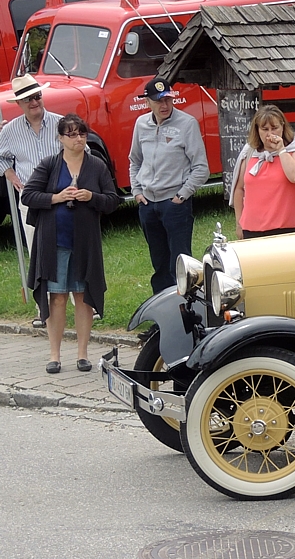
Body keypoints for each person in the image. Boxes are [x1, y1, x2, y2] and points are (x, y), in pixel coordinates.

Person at [21, 114, 119, 373]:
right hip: (55, 241)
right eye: (72, 134)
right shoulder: (50, 164)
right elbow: (29, 195)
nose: (78, 139)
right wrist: (56, 197)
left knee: (83, 296)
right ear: (61, 138)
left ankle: (83, 354)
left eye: (82, 133)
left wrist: (92, 196)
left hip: (85, 243)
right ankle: (55, 355)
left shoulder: (96, 165)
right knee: (58, 298)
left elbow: (112, 200)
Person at [128, 79, 209, 293]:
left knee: (182, 264)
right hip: (147, 204)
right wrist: (136, 191)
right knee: (159, 264)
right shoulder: (141, 124)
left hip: (174, 204)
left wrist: (182, 196)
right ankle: (163, 312)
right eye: (158, 101)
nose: (164, 106)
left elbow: (201, 168)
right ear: (147, 102)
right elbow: (134, 161)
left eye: (168, 100)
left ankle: (187, 312)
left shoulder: (187, 123)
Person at [0, 74, 63, 327]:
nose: (34, 102)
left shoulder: (61, 124)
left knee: (70, 249)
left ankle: (82, 304)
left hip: (62, 198)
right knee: (38, 254)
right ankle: (43, 309)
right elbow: (1, 157)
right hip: (31, 202)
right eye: (27, 99)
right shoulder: (10, 130)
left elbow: (83, 152)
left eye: (37, 96)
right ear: (19, 103)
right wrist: (12, 176)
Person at [231, 105, 295, 239]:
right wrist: (239, 223)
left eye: (275, 128)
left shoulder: (294, 149)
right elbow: (239, 189)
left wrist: (281, 150)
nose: (270, 134)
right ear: (257, 130)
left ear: (283, 127)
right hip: (251, 230)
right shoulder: (249, 151)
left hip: (285, 230)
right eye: (265, 129)